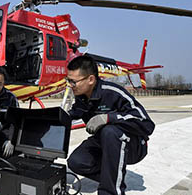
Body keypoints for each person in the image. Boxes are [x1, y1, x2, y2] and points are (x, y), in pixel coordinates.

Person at [65, 55, 155, 195]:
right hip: (103, 142)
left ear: (90, 79)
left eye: (73, 81)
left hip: (133, 145)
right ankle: (113, 177)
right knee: (76, 162)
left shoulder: (112, 93)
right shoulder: (81, 97)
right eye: (68, 80)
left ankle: (111, 191)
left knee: (110, 131)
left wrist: (109, 117)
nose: (70, 85)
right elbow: (72, 114)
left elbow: (147, 124)